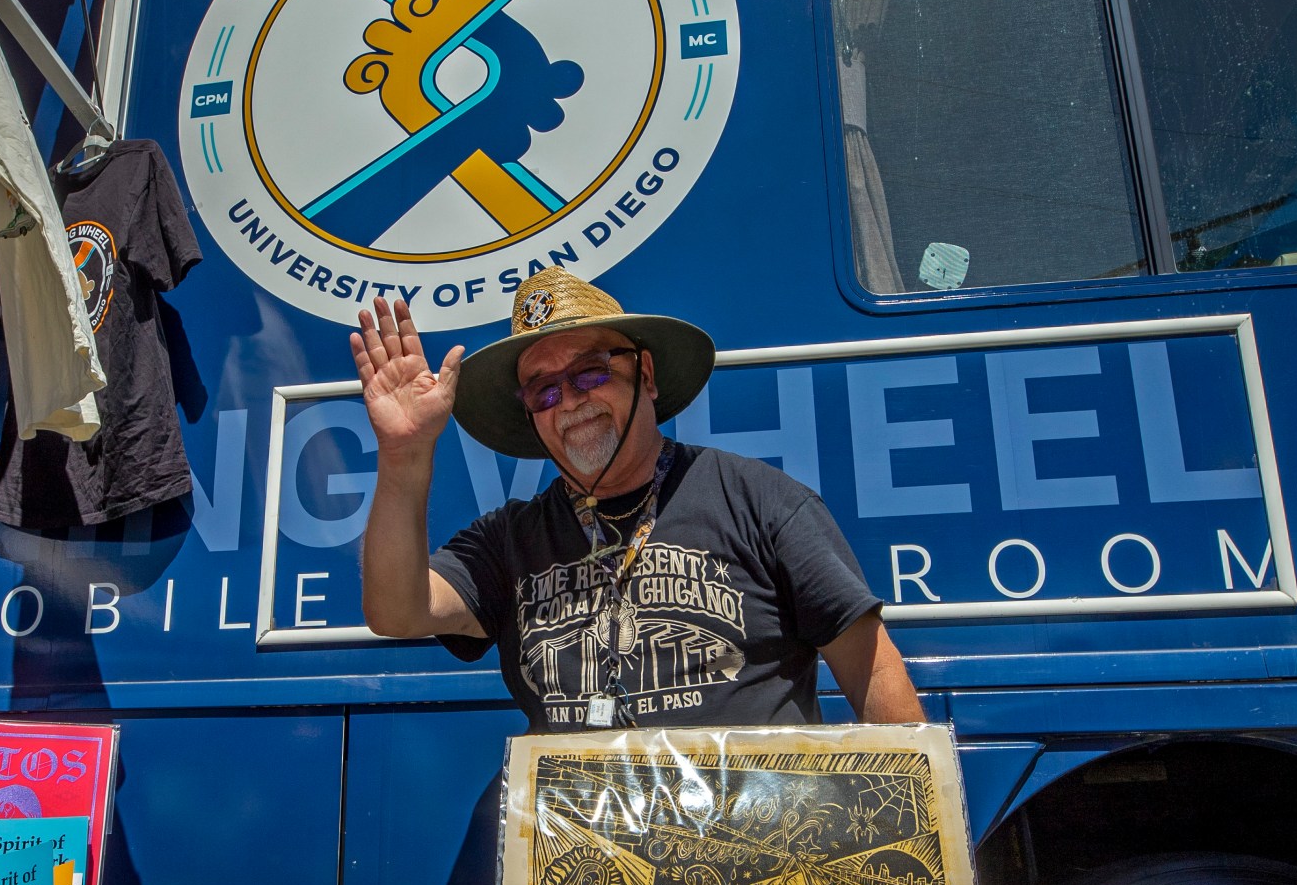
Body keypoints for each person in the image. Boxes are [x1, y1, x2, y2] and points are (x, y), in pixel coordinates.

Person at [351, 265, 924, 733]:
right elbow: (397, 611)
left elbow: (870, 670)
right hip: (584, 867)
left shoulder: (761, 500)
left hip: (755, 857)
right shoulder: (508, 540)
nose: (569, 400)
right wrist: (404, 454)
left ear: (644, 374)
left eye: (590, 373)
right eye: (544, 389)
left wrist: (922, 845)